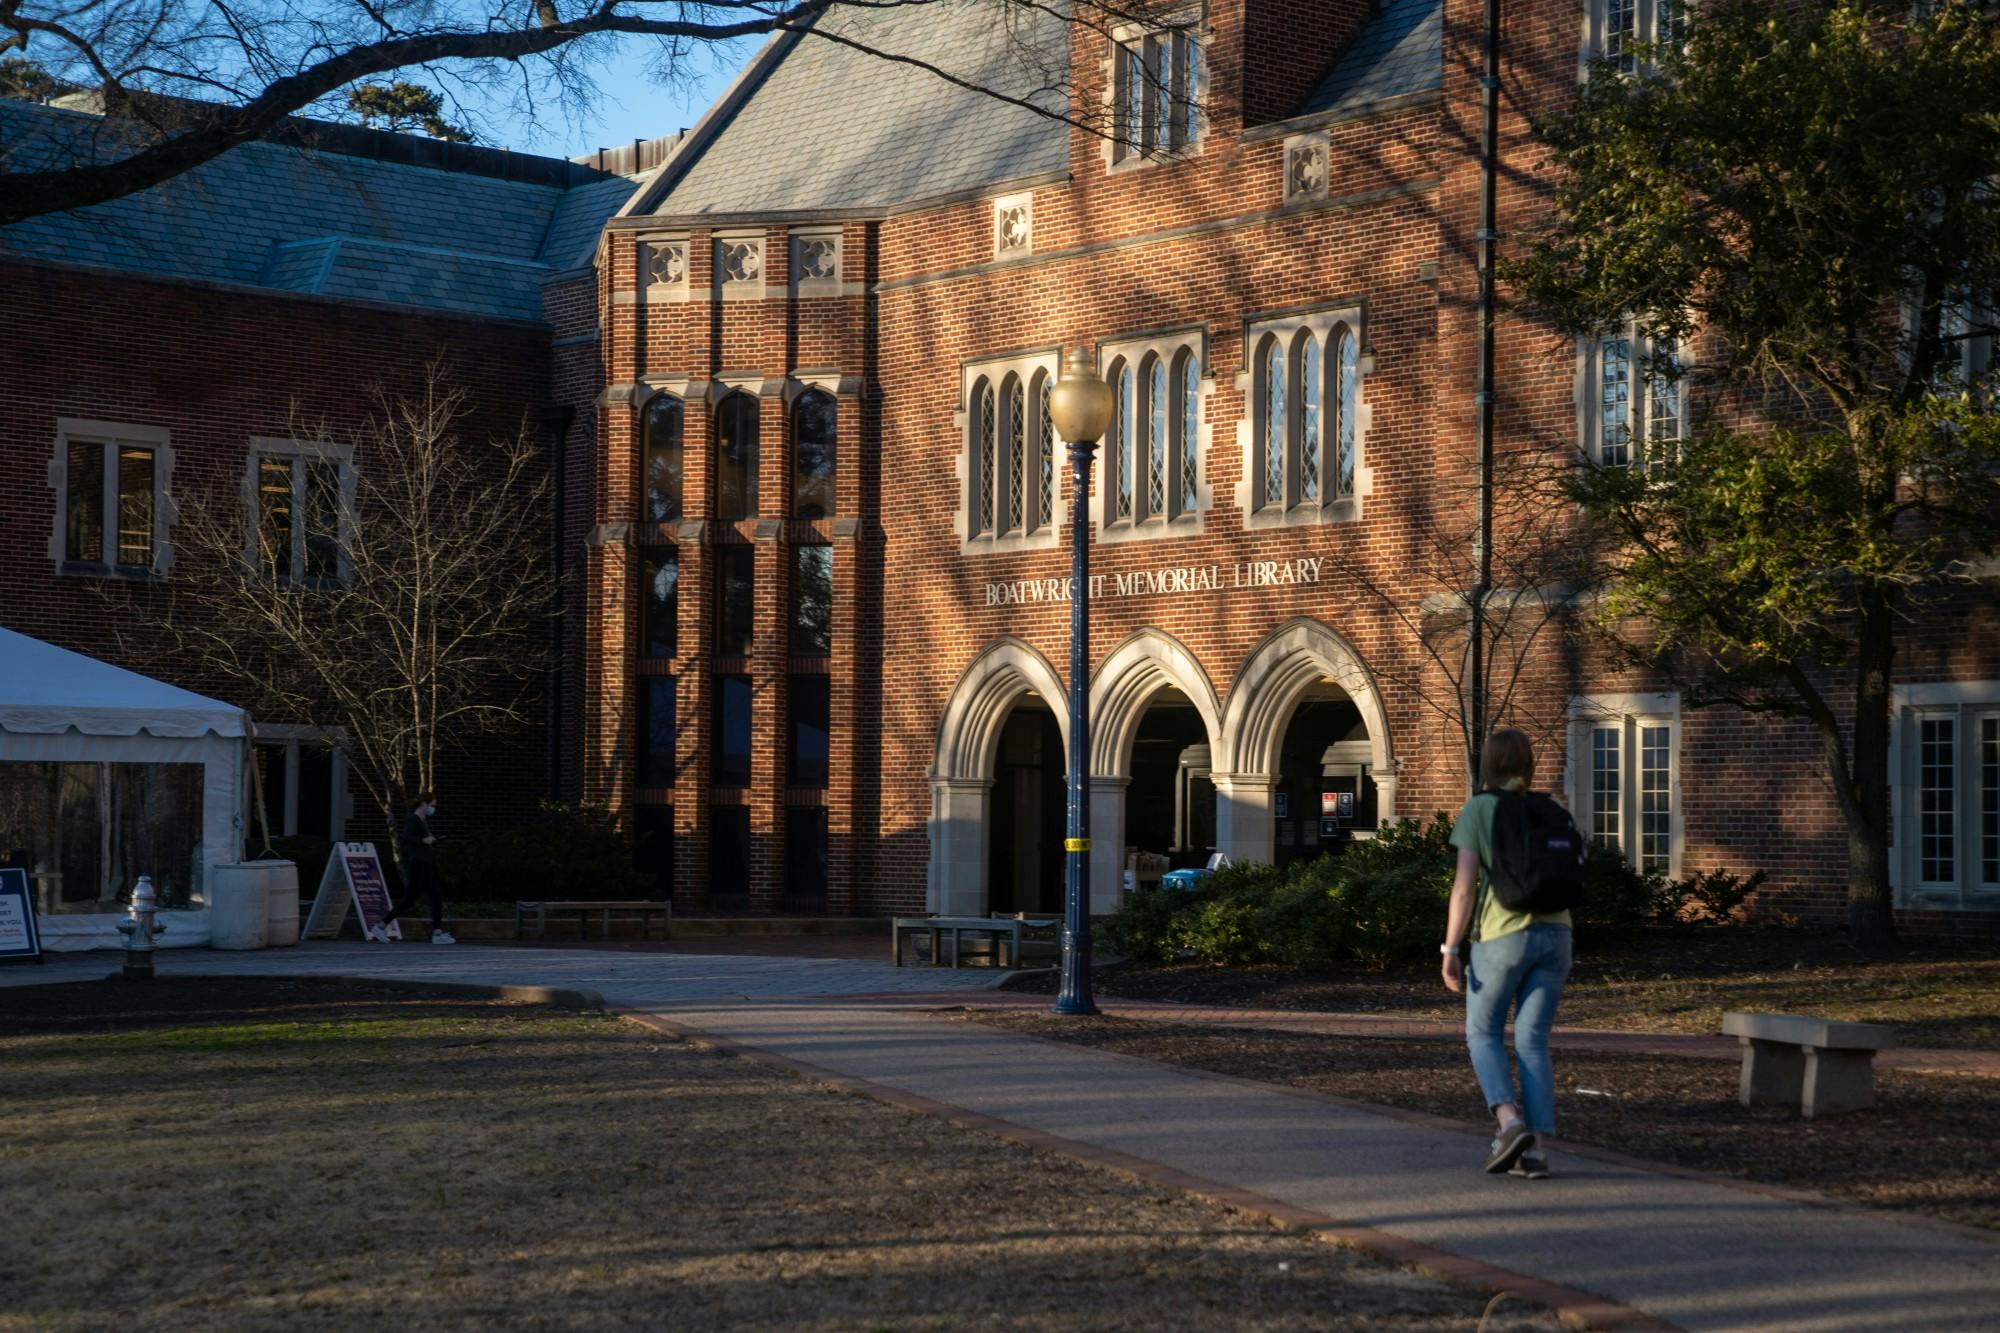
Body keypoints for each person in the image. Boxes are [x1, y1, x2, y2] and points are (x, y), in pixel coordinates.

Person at [1441, 729, 1572, 1180]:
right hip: (1557, 935)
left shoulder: (1480, 808)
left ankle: (1508, 1122)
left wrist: (1450, 947)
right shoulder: (1552, 809)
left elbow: (1464, 887)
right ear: (1529, 765)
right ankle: (1536, 1152)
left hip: (1503, 935)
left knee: (1483, 1033)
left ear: (1489, 766)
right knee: (1533, 1041)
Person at [373, 792, 452, 945]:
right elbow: (406, 839)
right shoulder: (413, 819)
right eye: (432, 805)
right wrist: (424, 840)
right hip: (417, 864)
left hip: (425, 863)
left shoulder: (422, 820)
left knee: (436, 895)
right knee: (409, 900)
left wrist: (433, 840)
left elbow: (421, 841)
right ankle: (380, 926)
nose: (433, 808)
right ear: (424, 804)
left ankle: (437, 933)